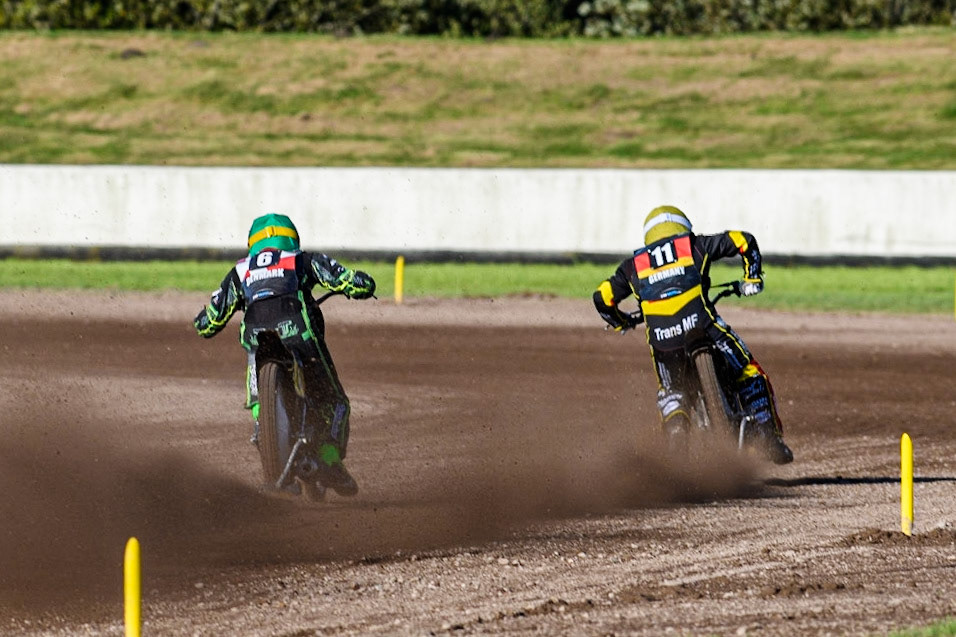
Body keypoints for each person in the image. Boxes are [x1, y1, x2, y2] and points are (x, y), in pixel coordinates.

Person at [593, 205, 793, 464]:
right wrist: (752, 279)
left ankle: (677, 437)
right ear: (682, 227)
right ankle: (769, 437)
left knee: (672, 391)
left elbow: (602, 297)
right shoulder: (693, 245)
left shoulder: (633, 266)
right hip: (704, 326)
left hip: (664, 343)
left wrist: (622, 322)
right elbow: (744, 240)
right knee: (748, 371)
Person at [194, 213, 376, 494]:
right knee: (336, 402)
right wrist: (364, 284)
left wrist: (201, 320)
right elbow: (348, 281)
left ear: (252, 243)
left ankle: (261, 425)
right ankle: (329, 460)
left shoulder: (241, 270)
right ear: (291, 237)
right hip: (299, 334)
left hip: (256, 339)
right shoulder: (301, 260)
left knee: (256, 394)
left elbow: (211, 321)